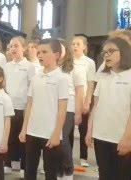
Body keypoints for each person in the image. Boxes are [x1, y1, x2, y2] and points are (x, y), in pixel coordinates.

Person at [19, 38, 69, 180]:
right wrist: (24, 128)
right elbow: (29, 104)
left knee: (50, 171)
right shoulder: (36, 77)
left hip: (50, 133)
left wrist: (56, 134)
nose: (40, 55)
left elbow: (62, 109)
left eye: (45, 52)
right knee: (30, 169)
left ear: (56, 55)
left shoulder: (62, 78)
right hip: (33, 131)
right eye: (39, 52)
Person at [86, 37, 131, 180]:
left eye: (111, 51)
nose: (106, 55)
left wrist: (127, 138)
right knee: (104, 174)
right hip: (101, 136)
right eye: (104, 52)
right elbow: (96, 105)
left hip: (121, 137)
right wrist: (89, 130)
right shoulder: (103, 76)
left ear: (124, 52)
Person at [4, 36, 36, 176]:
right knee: (9, 136)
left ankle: (24, 166)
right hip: (9, 107)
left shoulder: (29, 66)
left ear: (24, 48)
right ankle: (8, 163)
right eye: (11, 46)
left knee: (23, 138)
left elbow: (31, 86)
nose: (13, 49)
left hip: (23, 107)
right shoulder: (7, 66)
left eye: (16, 46)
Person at [58, 39, 84, 180]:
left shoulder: (73, 68)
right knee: (54, 140)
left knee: (62, 138)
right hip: (53, 108)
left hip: (69, 107)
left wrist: (78, 112)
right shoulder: (52, 67)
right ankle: (59, 170)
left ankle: (68, 170)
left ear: (65, 50)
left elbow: (80, 92)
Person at [72, 35, 96, 167]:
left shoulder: (89, 62)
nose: (75, 46)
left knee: (83, 128)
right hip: (70, 99)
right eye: (73, 44)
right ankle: (67, 156)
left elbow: (91, 83)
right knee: (68, 130)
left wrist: (87, 101)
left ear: (84, 47)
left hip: (83, 98)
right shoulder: (68, 61)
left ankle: (83, 157)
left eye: (78, 44)